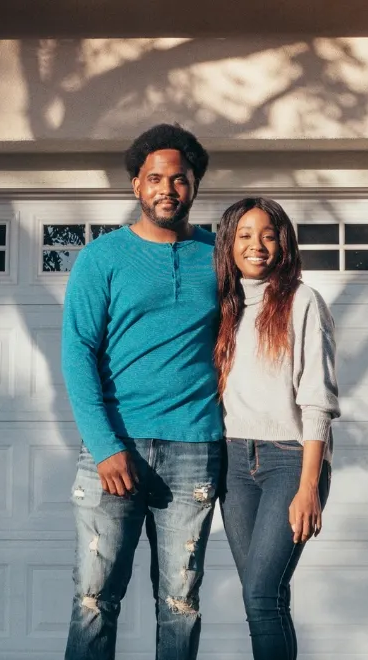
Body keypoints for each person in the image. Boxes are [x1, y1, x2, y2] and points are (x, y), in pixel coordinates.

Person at [61, 124, 223, 660]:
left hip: (195, 450)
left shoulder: (220, 257)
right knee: (94, 599)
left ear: (195, 185)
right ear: (136, 185)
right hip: (116, 451)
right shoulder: (101, 258)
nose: (167, 189)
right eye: (155, 178)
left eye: (179, 179)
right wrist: (107, 448)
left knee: (181, 602)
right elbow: (78, 354)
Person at [213, 197, 340, 660]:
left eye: (268, 234)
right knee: (265, 599)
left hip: (289, 460)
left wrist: (310, 486)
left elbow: (318, 398)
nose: (257, 245)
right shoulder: (224, 307)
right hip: (232, 463)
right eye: (245, 235)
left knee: (261, 595)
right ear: (229, 243)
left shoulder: (302, 302)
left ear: (283, 243)